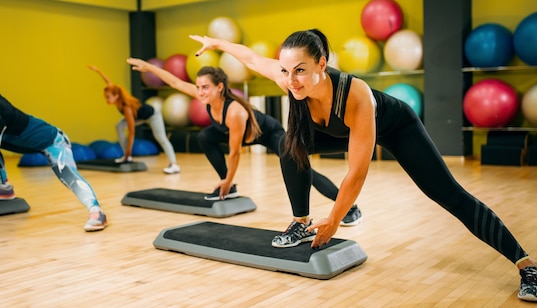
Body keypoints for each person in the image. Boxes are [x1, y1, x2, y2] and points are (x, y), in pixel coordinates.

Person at [189, 30, 537, 302]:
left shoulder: (354, 94)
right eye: (286, 70)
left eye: (300, 69)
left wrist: (334, 219)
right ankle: (300, 222)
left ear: (321, 62)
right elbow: (251, 58)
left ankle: (527, 265)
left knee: (447, 194)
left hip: (396, 127)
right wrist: (217, 43)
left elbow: (357, 171)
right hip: (340, 130)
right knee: (289, 144)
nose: (292, 79)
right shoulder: (289, 80)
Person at [127, 58, 362, 226]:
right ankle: (229, 188)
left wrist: (228, 180)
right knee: (205, 136)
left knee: (301, 169)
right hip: (244, 136)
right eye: (198, 87)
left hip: (270, 133)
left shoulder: (234, 112)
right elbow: (176, 83)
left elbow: (235, 153)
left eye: (205, 87)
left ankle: (349, 207)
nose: (200, 92)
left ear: (220, 87)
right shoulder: (206, 98)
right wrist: (149, 67)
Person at [0, 57, 107, 232]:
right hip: (24, 143)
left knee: (68, 176)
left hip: (53, 140)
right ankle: (3, 188)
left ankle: (97, 212)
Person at [88, 65, 180, 174]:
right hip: (139, 117)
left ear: (116, 96)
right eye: (106, 97)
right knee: (119, 126)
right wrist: (98, 70)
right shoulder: (116, 95)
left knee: (161, 138)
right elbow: (107, 81)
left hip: (153, 115)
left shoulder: (126, 108)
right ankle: (126, 157)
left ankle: (174, 165)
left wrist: (128, 151)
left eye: (108, 97)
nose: (106, 100)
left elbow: (131, 132)